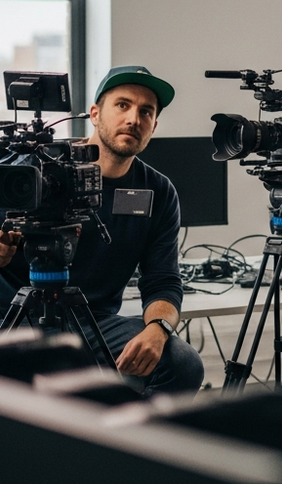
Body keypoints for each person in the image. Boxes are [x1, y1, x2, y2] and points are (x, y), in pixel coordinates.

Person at [0, 66, 204, 396]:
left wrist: (158, 328)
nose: (134, 119)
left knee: (182, 363)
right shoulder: (28, 171)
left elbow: (163, 280)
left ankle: (131, 445)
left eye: (146, 111)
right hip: (12, 315)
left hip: (92, 321)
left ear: (154, 125)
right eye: (122, 105)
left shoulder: (158, 191)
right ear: (95, 114)